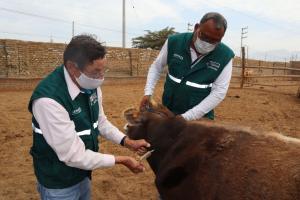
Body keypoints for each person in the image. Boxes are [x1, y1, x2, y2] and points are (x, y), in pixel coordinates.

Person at [28, 35, 150, 200]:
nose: (101, 77)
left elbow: (99, 121)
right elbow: (74, 155)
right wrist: (122, 160)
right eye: (96, 71)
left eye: (103, 70)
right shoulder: (49, 101)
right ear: (72, 67)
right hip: (58, 182)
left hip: (83, 173)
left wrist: (128, 142)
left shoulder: (88, 84)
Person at [140, 12, 235, 120]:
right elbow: (156, 67)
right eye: (204, 37)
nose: (207, 43)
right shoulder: (175, 42)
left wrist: (188, 117)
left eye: (214, 41)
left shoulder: (225, 56)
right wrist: (148, 92)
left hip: (199, 118)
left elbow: (219, 92)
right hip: (168, 110)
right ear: (196, 28)